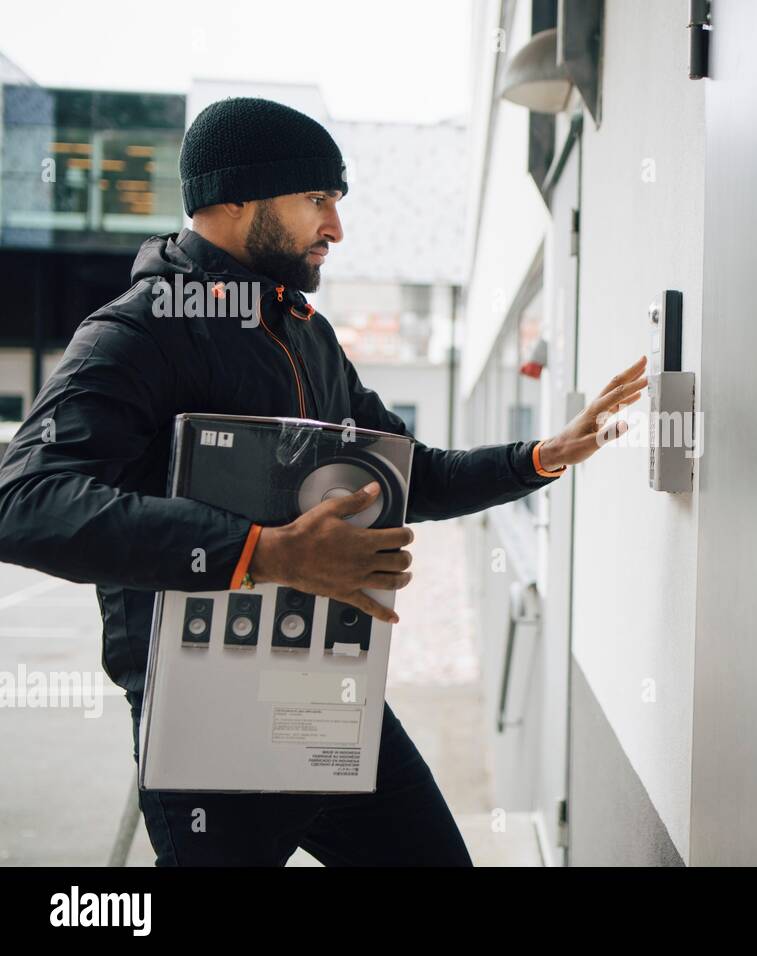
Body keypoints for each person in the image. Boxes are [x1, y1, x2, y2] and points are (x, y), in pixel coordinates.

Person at [0, 96, 647, 866]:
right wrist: (263, 553)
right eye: (318, 201)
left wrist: (541, 456)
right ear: (234, 197)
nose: (335, 229)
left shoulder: (306, 335)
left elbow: (408, 473)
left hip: (331, 698)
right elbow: (23, 501)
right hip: (208, 733)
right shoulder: (138, 331)